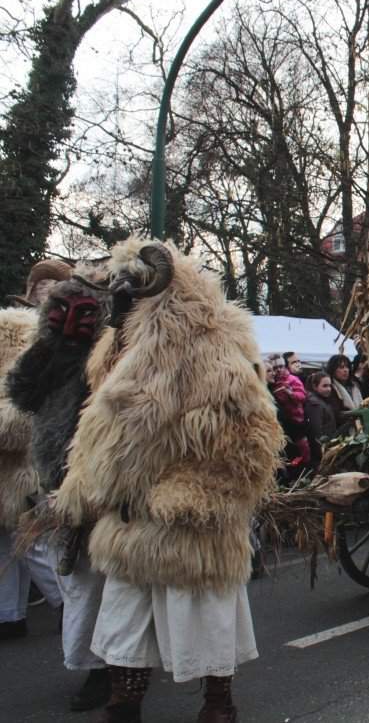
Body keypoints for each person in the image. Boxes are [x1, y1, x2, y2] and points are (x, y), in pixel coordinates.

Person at [53, 239, 282, 722]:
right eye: (115, 292)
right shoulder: (123, 350)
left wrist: (184, 496)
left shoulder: (211, 346)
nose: (118, 301)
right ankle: (124, 702)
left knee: (202, 617)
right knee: (125, 625)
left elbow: (249, 437)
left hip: (184, 521)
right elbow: (101, 425)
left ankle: (218, 704)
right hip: (127, 515)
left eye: (127, 291)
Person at [7, 261, 113, 711]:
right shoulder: (49, 351)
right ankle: (98, 669)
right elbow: (23, 393)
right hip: (58, 479)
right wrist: (50, 345)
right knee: (77, 579)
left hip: (105, 477)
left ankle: (115, 669)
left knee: (105, 580)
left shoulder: (113, 352)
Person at [0, 261, 70, 642]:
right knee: (7, 541)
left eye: (51, 286)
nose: (44, 292)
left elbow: (29, 402)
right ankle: (9, 614)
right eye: (38, 286)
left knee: (32, 538)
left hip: (32, 457)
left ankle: (65, 602)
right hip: (8, 459)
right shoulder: (11, 331)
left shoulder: (51, 341)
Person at [269, 353, 310, 471]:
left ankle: (305, 467)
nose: (279, 370)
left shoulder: (292, 379)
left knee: (302, 447)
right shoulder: (273, 383)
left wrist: (291, 394)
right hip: (284, 422)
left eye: (281, 366)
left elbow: (302, 396)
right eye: (275, 368)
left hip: (297, 419)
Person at [325, 354, 362, 435]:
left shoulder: (355, 386)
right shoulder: (331, 388)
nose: (345, 370)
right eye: (341, 367)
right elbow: (335, 414)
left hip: (359, 426)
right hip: (342, 430)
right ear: (333, 370)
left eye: (347, 367)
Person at [304, 371, 337, 440]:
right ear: (315, 387)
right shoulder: (315, 404)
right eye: (325, 386)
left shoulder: (322, 400)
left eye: (329, 385)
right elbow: (317, 432)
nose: (328, 389)